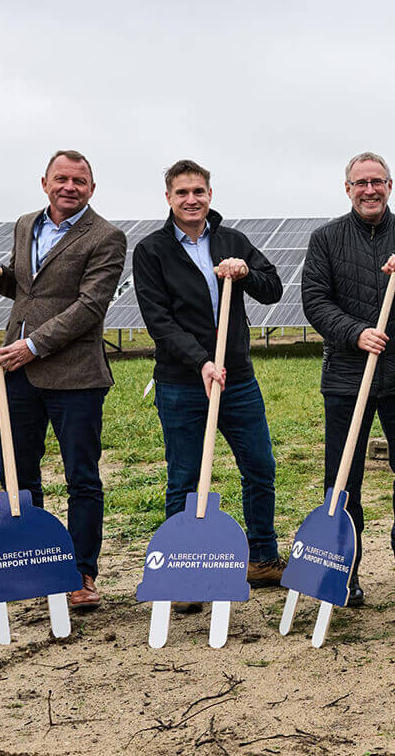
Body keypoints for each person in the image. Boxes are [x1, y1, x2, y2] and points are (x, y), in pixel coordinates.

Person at [0, 149, 127, 609]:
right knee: (16, 473)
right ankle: (28, 564)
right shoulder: (25, 224)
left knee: (81, 477)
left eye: (79, 180)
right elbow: (26, 287)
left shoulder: (107, 237)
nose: (69, 187)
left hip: (74, 374)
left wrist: (32, 345)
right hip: (16, 372)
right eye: (61, 179)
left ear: (92, 188)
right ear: (44, 182)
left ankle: (80, 575)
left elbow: (90, 306)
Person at [131, 159, 287, 610]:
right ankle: (183, 571)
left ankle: (261, 557)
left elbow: (273, 288)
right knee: (184, 477)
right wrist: (200, 361)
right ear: (168, 198)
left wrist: (246, 272)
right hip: (182, 382)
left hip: (237, 379)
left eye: (198, 190)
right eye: (182, 192)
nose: (191, 199)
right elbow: (158, 320)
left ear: (210, 195)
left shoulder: (232, 241)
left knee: (260, 467)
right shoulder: (152, 251)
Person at [300, 151, 395, 606]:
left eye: (378, 181)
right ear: (347, 189)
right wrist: (356, 333)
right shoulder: (325, 239)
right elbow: (315, 301)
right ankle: (346, 563)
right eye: (361, 182)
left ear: (388, 185)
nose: (370, 190)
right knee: (344, 476)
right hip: (347, 377)